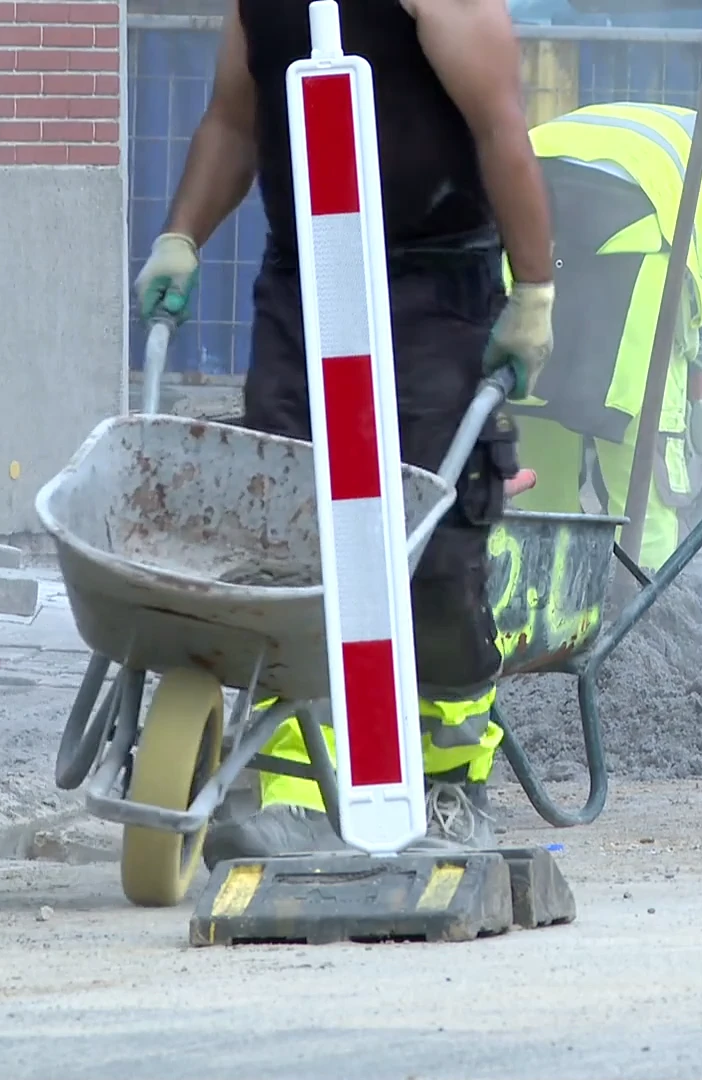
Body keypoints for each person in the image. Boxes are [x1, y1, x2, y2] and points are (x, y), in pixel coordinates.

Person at [132, 0, 555, 859]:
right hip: (308, 275)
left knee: (433, 543)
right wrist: (182, 235)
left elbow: (500, 129)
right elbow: (233, 122)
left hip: (434, 287)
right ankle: (296, 788)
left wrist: (534, 290)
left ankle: (450, 783)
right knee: (290, 530)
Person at [506, 102, 702, 569]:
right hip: (630, 246)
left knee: (537, 456)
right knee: (644, 465)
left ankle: (539, 606)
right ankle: (652, 613)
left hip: (521, 220)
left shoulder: (648, 132)